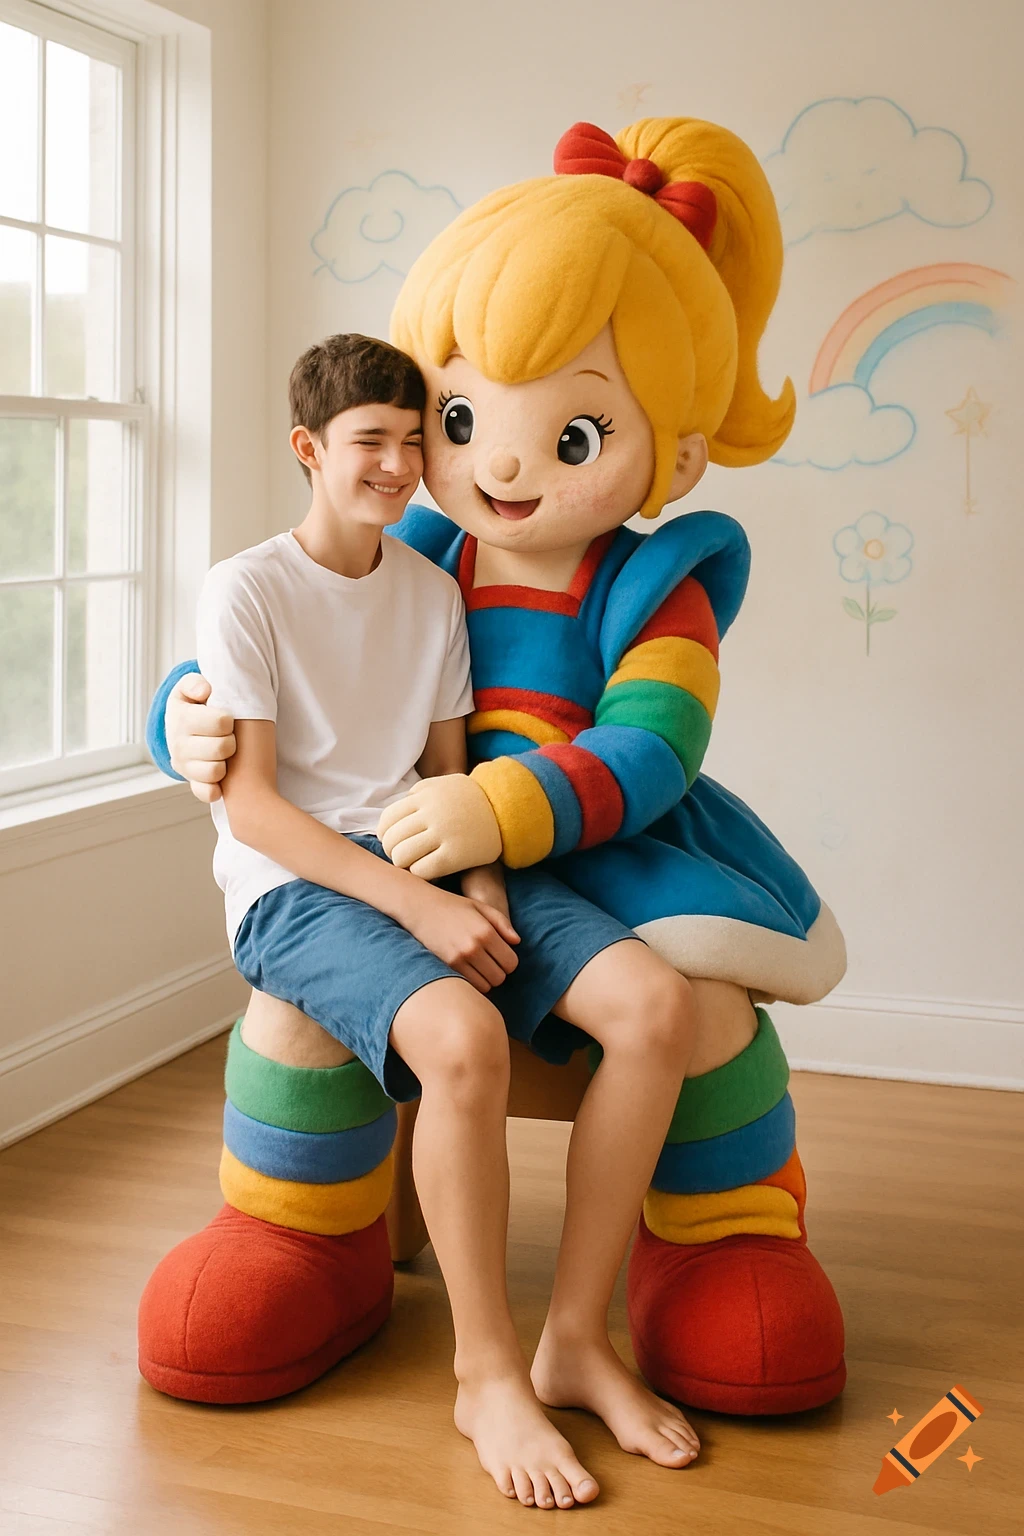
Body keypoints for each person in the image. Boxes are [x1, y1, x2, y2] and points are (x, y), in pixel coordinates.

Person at [147, 116, 848, 1433]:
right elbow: (272, 656)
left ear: (676, 455)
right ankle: (305, 1224)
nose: (499, 463)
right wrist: (180, 720)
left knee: (694, 1019)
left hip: (589, 859)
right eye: (460, 420)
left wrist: (492, 817)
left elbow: (649, 747)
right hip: (390, 860)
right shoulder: (409, 552)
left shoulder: (655, 584)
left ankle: (714, 1240)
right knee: (304, 1016)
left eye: (573, 435)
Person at [145, 330, 710, 1510]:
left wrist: (486, 895)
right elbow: (248, 804)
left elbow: (445, 773)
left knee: (653, 1008)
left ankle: (573, 1340)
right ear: (308, 449)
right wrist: (415, 905)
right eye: (369, 444)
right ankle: (485, 1372)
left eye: (413, 440)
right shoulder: (245, 587)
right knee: (461, 1039)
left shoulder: (431, 585)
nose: (399, 466)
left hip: (429, 852)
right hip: (294, 883)